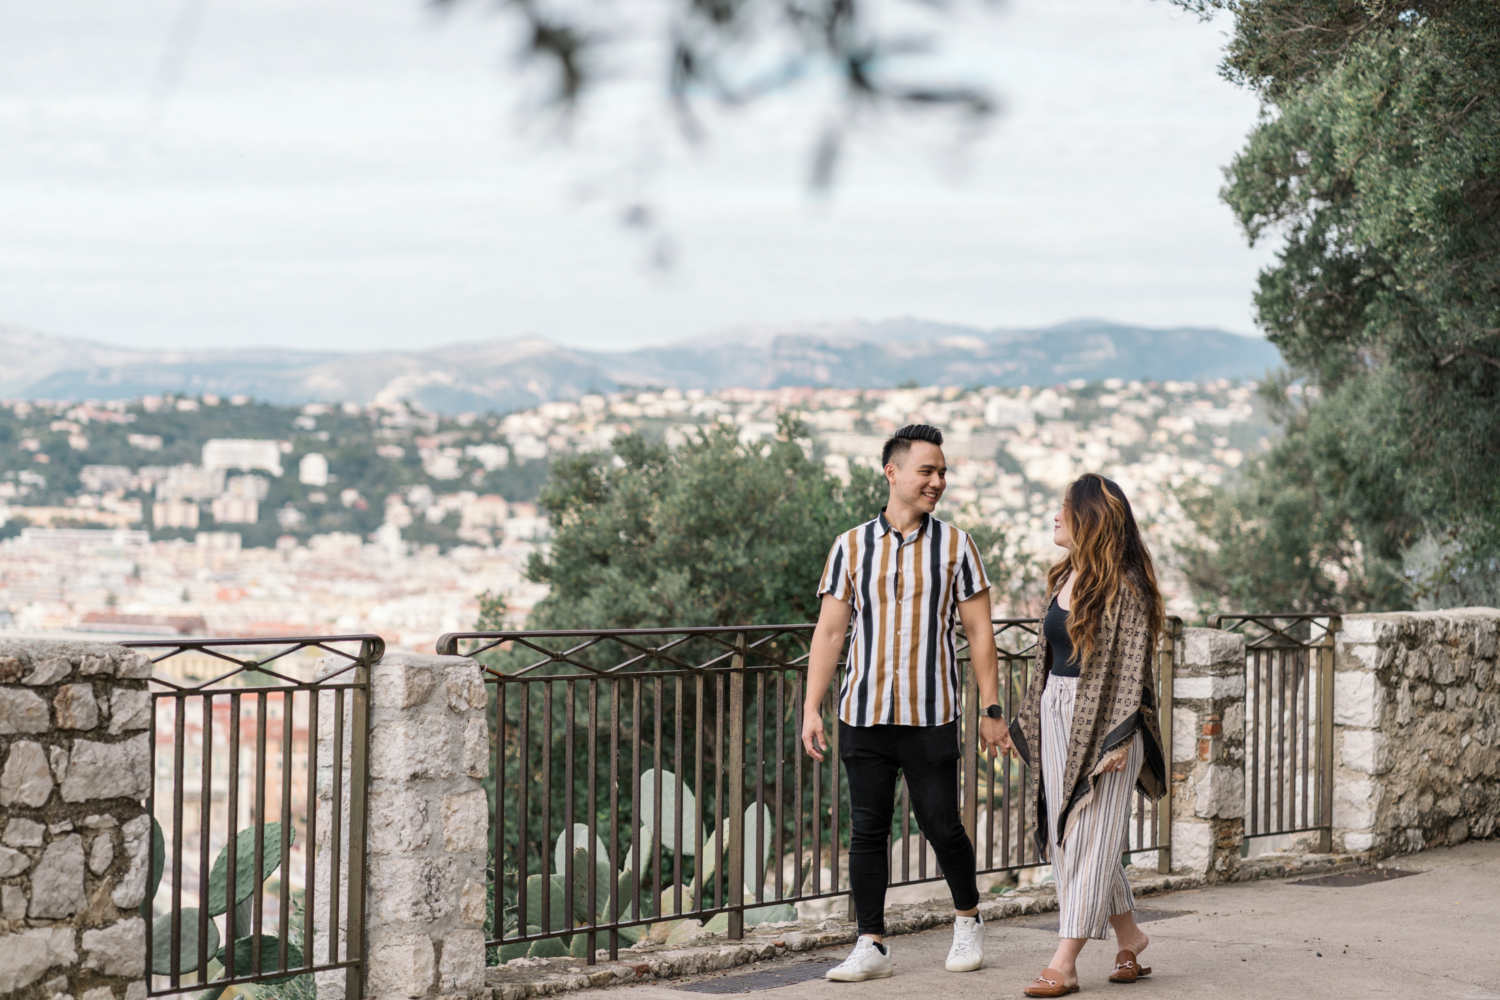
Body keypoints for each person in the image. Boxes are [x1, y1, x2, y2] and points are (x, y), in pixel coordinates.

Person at [801, 423, 1008, 982]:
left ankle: (968, 919)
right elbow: (829, 633)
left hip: (930, 714)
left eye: (942, 472)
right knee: (867, 829)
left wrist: (992, 710)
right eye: (928, 470)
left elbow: (981, 634)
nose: (938, 481)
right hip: (863, 712)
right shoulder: (849, 546)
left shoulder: (957, 546)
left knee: (941, 822)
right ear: (892, 472)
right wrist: (811, 707)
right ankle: (871, 942)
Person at [992, 473, 1168, 997]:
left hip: (1108, 727)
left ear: (1088, 519)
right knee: (1075, 833)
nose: (1054, 516)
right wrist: (1024, 720)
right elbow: (1050, 665)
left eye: (1064, 508)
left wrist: (1118, 740)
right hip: (1058, 715)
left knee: (1085, 840)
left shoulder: (1126, 589)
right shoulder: (1065, 578)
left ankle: (1065, 961)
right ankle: (1130, 936)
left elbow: (1133, 668)